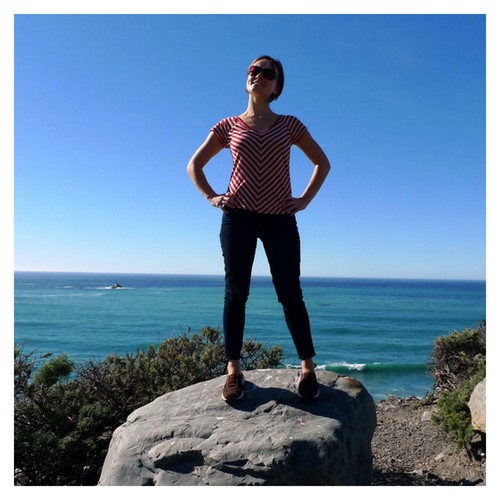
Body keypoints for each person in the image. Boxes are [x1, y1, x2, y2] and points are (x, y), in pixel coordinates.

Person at [187, 55, 331, 401]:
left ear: (277, 86)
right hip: (237, 217)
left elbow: (321, 163)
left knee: (290, 293)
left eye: (268, 72)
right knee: (236, 293)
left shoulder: (289, 125)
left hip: (280, 218)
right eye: (254, 70)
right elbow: (195, 165)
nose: (259, 75)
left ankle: (307, 367)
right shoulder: (228, 126)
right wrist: (211, 197)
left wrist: (305, 199)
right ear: (247, 78)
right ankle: (233, 371)